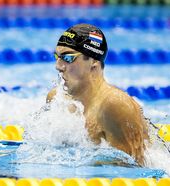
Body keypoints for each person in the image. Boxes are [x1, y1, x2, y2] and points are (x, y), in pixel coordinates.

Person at [47, 23, 149, 166]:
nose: (58, 66)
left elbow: (135, 171)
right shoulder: (57, 99)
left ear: (94, 61)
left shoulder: (114, 105)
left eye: (68, 58)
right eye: (56, 56)